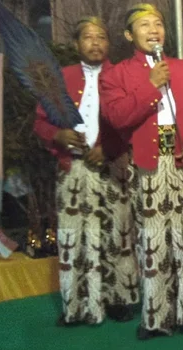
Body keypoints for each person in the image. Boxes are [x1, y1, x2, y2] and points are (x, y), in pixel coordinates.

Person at [100, 4, 183, 340]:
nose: (154, 30)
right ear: (128, 35)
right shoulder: (117, 75)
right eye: (144, 25)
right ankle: (157, 318)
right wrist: (151, 85)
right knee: (154, 241)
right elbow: (118, 117)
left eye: (158, 24)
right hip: (149, 163)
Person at [34, 16, 139, 327]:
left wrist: (108, 148)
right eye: (88, 37)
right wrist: (57, 136)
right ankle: (79, 304)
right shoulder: (60, 78)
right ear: (76, 44)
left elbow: (135, 120)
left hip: (113, 167)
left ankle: (118, 298)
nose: (95, 43)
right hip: (74, 169)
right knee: (75, 235)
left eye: (101, 37)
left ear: (109, 44)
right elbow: (40, 121)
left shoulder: (122, 76)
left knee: (116, 232)